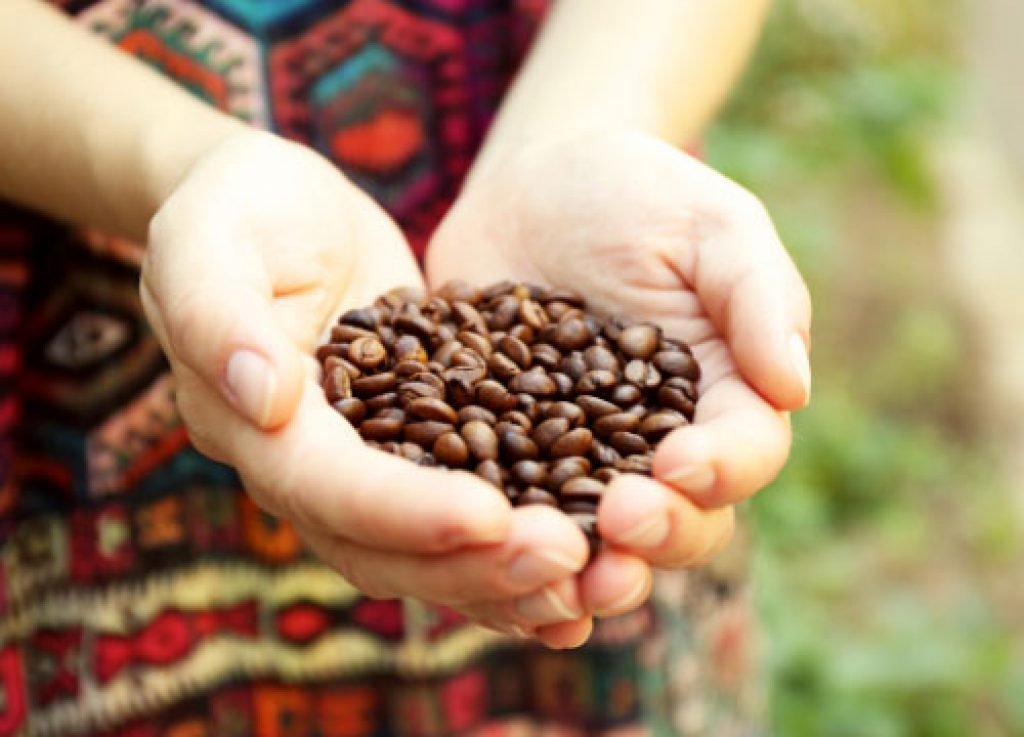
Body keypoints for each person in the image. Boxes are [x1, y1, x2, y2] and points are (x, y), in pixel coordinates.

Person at [0, 0, 811, 735]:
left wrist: (588, 120)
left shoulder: (569, 372)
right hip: (79, 315)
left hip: (561, 178)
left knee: (590, 543)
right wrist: (181, 163)